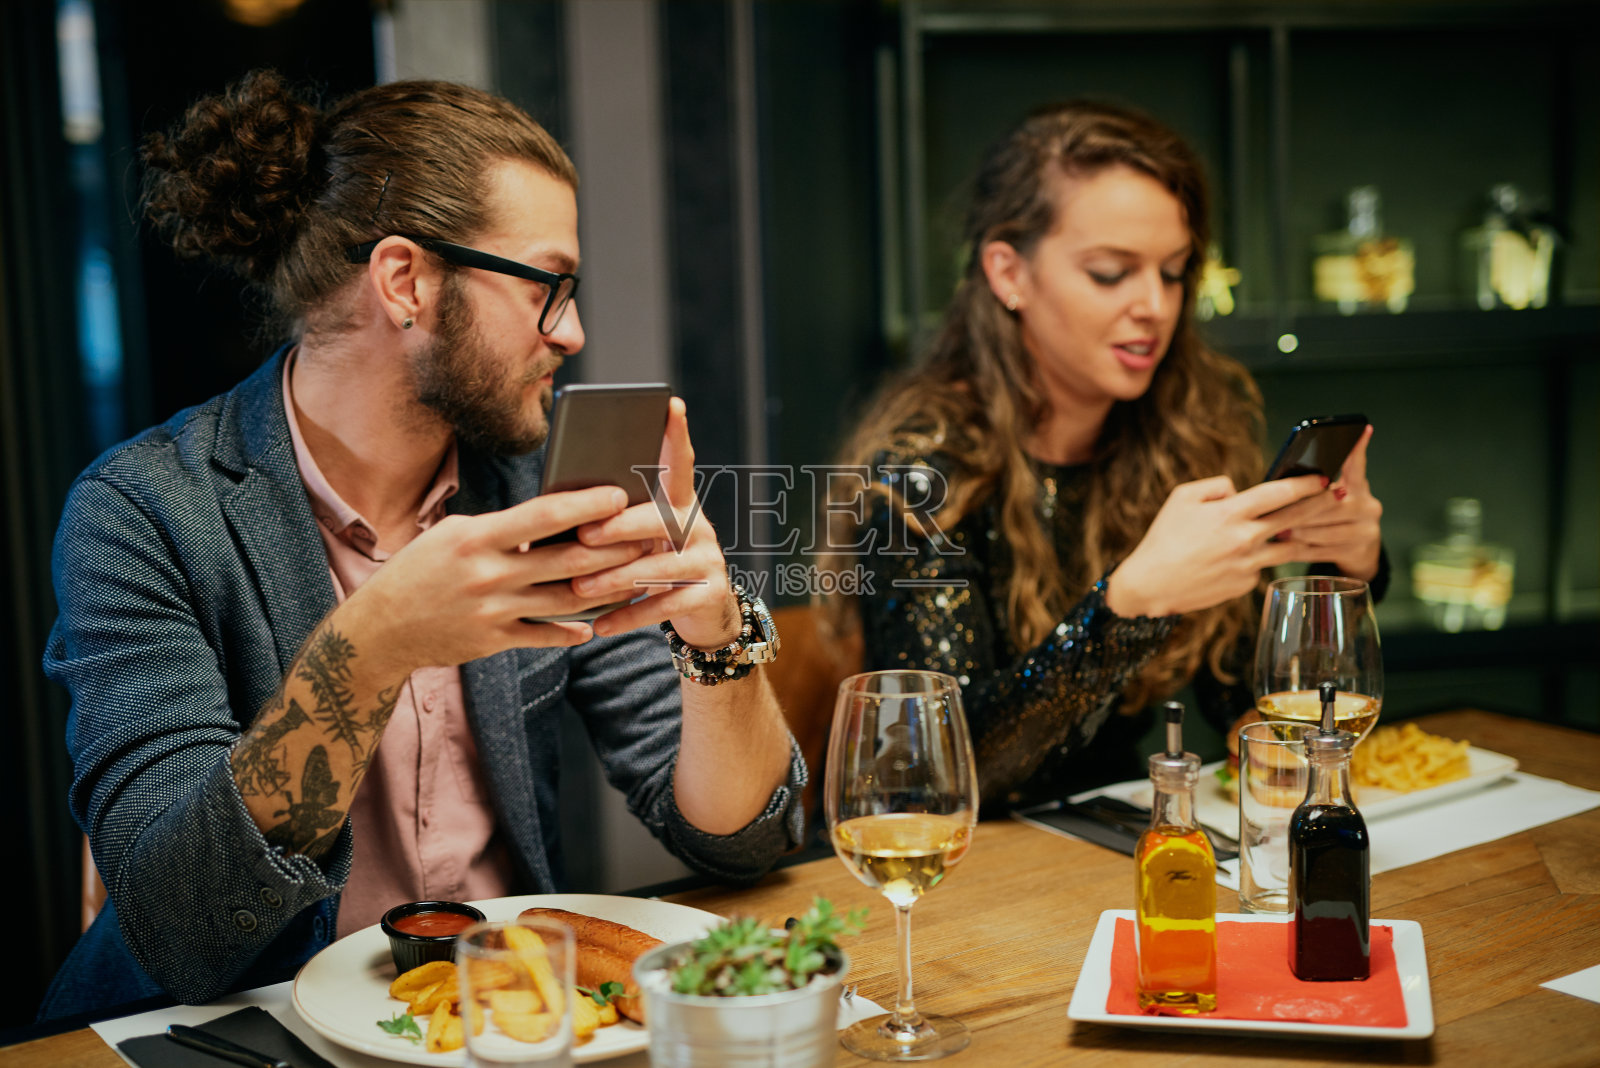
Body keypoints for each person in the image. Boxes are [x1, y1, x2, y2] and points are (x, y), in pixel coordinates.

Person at [39, 71, 802, 1019]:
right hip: (236, 1036)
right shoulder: (143, 513)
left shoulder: (532, 491)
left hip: (490, 1020)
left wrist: (714, 638)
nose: (574, 332)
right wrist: (374, 647)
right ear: (405, 280)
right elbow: (182, 926)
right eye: (549, 286)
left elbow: (740, 842)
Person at [827, 100, 1385, 811]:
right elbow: (945, 773)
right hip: (966, 882)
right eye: (1110, 273)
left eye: (1175, 272)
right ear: (1008, 273)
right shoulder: (918, 479)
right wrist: (1126, 607)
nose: (1155, 304)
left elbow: (1246, 701)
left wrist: (1345, 568)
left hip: (1112, 845)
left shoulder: (1183, 431)